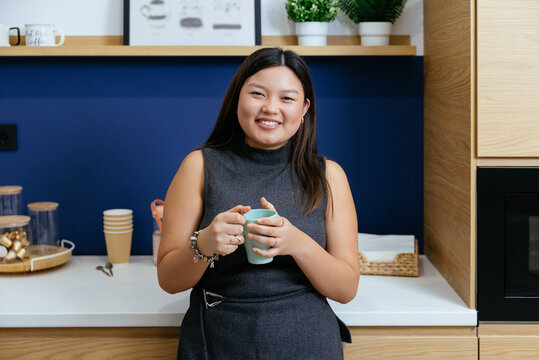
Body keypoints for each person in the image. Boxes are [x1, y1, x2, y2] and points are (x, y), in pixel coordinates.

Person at [158, 47, 359, 360]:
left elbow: (346, 289)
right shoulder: (199, 166)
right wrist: (205, 243)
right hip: (217, 340)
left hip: (308, 342)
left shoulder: (329, 176)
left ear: (304, 108)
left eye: (287, 98)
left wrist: (297, 243)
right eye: (257, 94)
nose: (270, 108)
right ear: (238, 97)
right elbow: (168, 280)